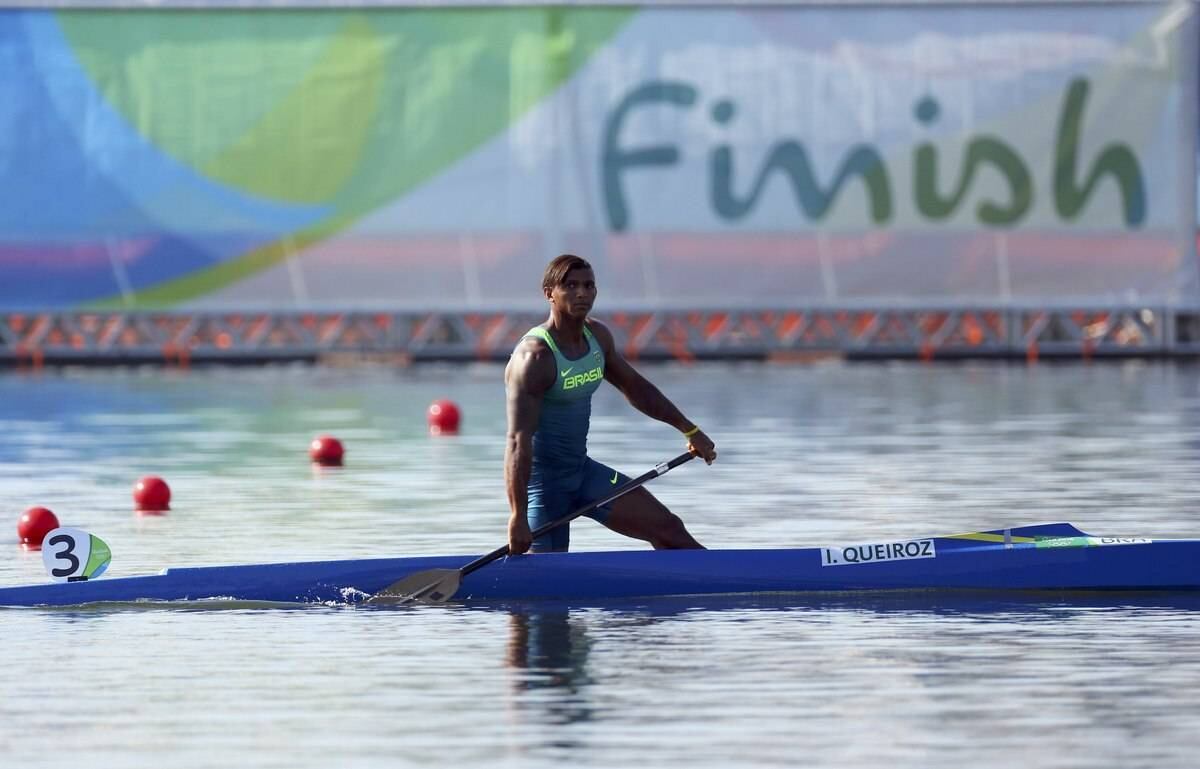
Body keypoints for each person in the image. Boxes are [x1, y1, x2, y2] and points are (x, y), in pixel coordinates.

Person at [504, 254, 717, 554]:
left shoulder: (597, 337)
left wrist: (689, 429)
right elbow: (517, 442)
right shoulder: (535, 357)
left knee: (670, 530)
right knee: (547, 589)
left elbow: (636, 388)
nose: (582, 293)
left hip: (584, 474)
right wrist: (517, 516)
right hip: (544, 489)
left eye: (589, 285)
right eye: (571, 285)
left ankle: (718, 587)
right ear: (549, 293)